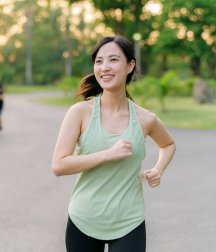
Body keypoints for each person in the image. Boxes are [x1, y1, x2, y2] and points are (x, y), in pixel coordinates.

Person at [52, 36, 176, 252]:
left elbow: (168, 145)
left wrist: (158, 169)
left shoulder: (146, 119)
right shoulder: (80, 113)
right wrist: (106, 154)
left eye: (113, 60)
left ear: (130, 66)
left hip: (129, 222)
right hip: (84, 219)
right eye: (99, 61)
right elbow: (59, 165)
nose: (105, 67)